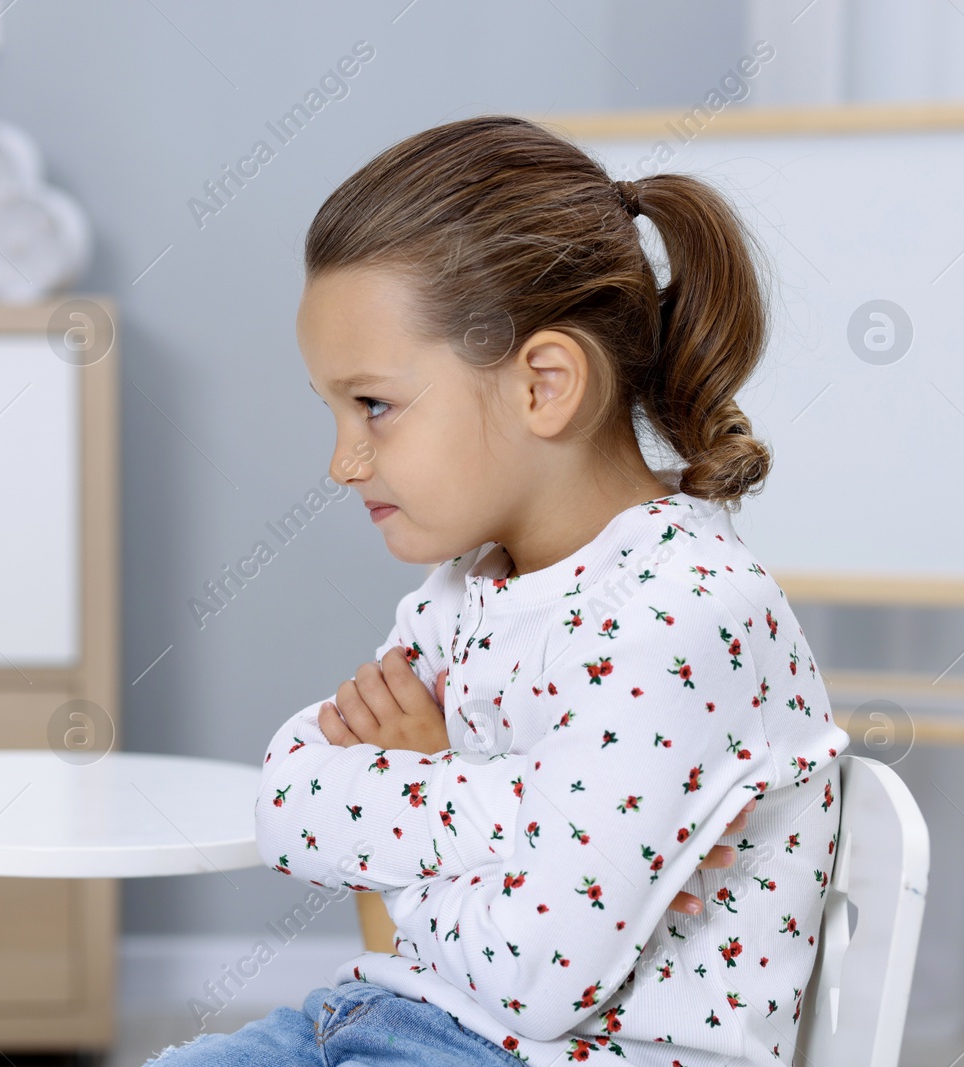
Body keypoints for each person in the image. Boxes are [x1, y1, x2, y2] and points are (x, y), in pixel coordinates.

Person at [147, 114, 845, 1066]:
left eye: (375, 406)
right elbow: (289, 798)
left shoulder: (682, 619)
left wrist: (407, 793)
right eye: (336, 411)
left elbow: (535, 979)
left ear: (544, 385)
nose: (343, 461)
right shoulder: (471, 590)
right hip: (386, 1016)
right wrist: (524, 807)